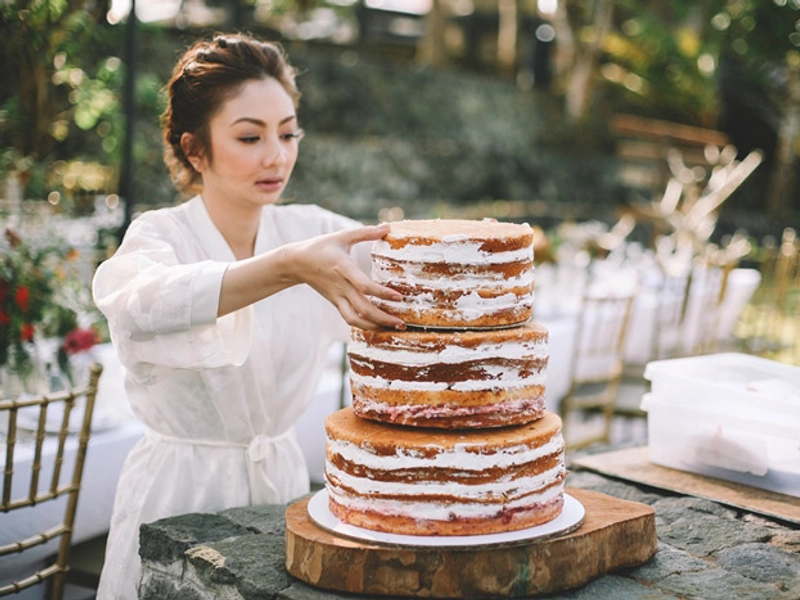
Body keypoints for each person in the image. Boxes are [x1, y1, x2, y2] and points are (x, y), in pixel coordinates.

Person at [91, 33, 405, 600]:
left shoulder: (310, 231)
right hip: (179, 495)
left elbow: (411, 266)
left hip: (278, 491)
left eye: (288, 134)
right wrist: (287, 268)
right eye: (249, 137)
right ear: (195, 150)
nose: (276, 155)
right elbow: (141, 305)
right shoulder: (161, 235)